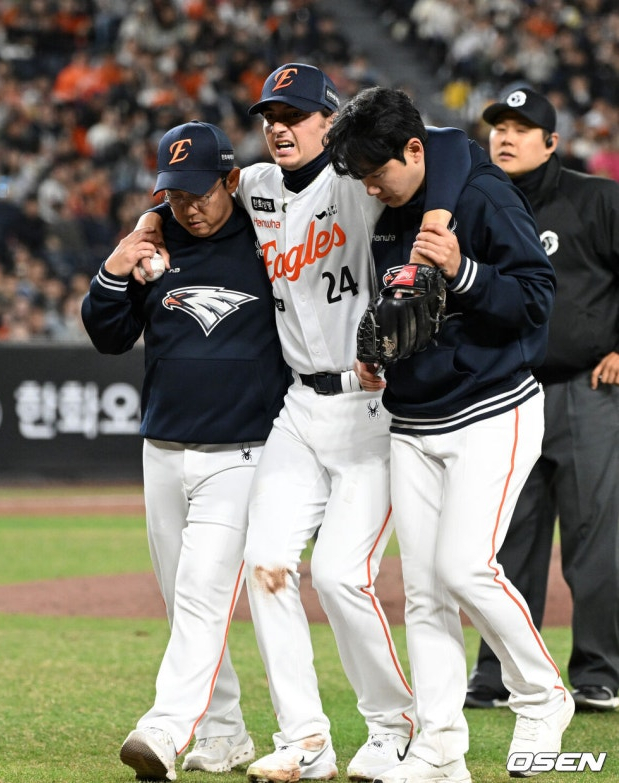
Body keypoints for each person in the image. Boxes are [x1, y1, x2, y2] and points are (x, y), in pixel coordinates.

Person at [137, 63, 471, 783]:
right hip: (298, 404)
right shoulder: (251, 185)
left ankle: (393, 726)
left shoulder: (355, 178)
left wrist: (438, 217)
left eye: (295, 114)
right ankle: (306, 737)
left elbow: (447, 145)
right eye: (268, 116)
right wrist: (143, 223)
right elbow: (177, 200)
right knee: (265, 567)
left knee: (341, 577)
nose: (279, 127)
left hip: (372, 405)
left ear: (330, 119)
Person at [325, 86, 573, 783]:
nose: (371, 186)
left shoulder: (483, 197)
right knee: (425, 591)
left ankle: (540, 694)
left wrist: (463, 270)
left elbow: (535, 298)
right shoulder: (390, 207)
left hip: (494, 407)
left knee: (465, 567)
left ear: (413, 150)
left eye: (378, 171)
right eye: (361, 177)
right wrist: (379, 352)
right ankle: (438, 744)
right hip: (412, 417)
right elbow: (406, 302)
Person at [82, 121, 291, 782]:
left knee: (203, 593)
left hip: (243, 448)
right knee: (181, 598)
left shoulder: (268, 238)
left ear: (231, 179)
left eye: (200, 190)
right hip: (164, 444)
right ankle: (226, 733)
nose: (188, 204)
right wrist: (115, 268)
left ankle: (165, 728)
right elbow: (108, 335)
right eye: (175, 193)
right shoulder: (155, 239)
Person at [464, 86, 619, 714]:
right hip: (506, 395)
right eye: (498, 125)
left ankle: (599, 674)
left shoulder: (596, 199)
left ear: (552, 142)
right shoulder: (476, 207)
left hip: (587, 392)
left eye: (522, 128)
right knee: (502, 544)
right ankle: (498, 674)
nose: (505, 135)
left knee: (596, 543)